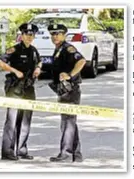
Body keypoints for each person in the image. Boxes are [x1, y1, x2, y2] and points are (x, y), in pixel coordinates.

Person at [0, 23, 42, 160]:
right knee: (12, 120)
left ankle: (21, 150)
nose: (29, 37)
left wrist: (38, 68)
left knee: (26, 119)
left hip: (28, 88)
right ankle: (8, 151)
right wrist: (15, 71)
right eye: (27, 34)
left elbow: (39, 62)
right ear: (22, 35)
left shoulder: (33, 50)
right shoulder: (14, 49)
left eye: (32, 34)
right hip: (14, 87)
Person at [47, 24, 86, 162]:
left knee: (68, 122)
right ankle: (76, 154)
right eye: (52, 34)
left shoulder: (68, 48)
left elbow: (81, 61)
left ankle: (66, 153)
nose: (55, 36)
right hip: (64, 90)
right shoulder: (58, 49)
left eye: (58, 33)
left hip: (71, 90)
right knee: (69, 122)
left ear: (64, 35)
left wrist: (69, 75)